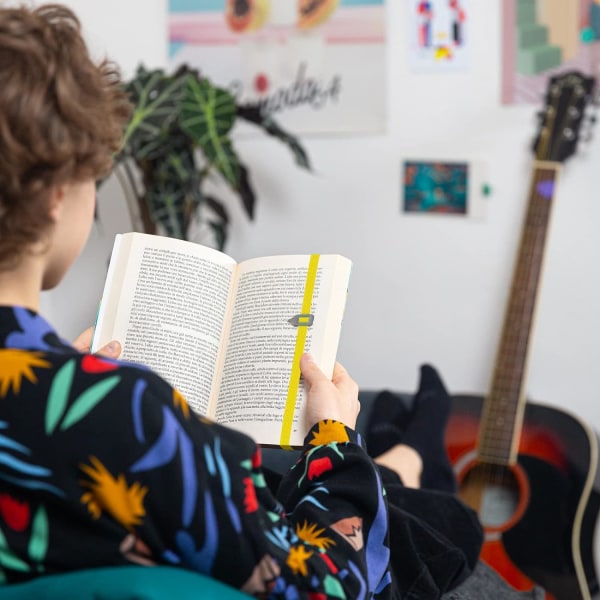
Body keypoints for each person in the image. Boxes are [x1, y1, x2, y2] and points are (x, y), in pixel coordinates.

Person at [0, 3, 497, 598]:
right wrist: (334, 434)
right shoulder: (124, 413)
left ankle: (405, 458)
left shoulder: (74, 399)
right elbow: (331, 585)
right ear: (58, 192)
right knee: (447, 522)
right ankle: (403, 457)